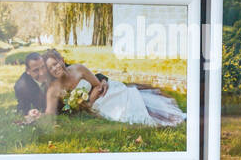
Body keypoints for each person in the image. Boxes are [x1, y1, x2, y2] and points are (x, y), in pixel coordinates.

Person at [41, 49, 186, 126]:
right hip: (94, 104)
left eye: (55, 64)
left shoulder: (78, 69)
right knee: (117, 112)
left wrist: (89, 103)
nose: (54, 69)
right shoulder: (54, 89)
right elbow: (49, 112)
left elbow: (97, 85)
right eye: (50, 68)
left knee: (129, 104)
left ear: (61, 60)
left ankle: (169, 115)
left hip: (101, 95)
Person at [14, 51, 49, 120]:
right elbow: (22, 108)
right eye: (36, 70)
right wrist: (29, 112)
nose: (41, 73)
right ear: (28, 71)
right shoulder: (22, 87)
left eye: (43, 67)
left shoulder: (52, 69)